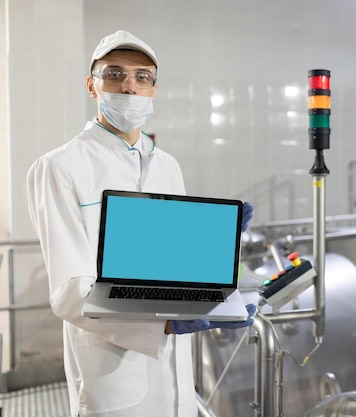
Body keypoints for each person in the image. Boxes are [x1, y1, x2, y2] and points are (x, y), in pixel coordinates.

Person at [26, 30, 255, 417]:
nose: (129, 87)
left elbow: (167, 261)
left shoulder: (166, 163)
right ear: (91, 85)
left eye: (142, 76)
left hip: (176, 375)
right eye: (114, 74)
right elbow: (69, 290)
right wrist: (162, 324)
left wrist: (212, 245)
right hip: (111, 368)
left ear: (154, 89)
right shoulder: (60, 166)